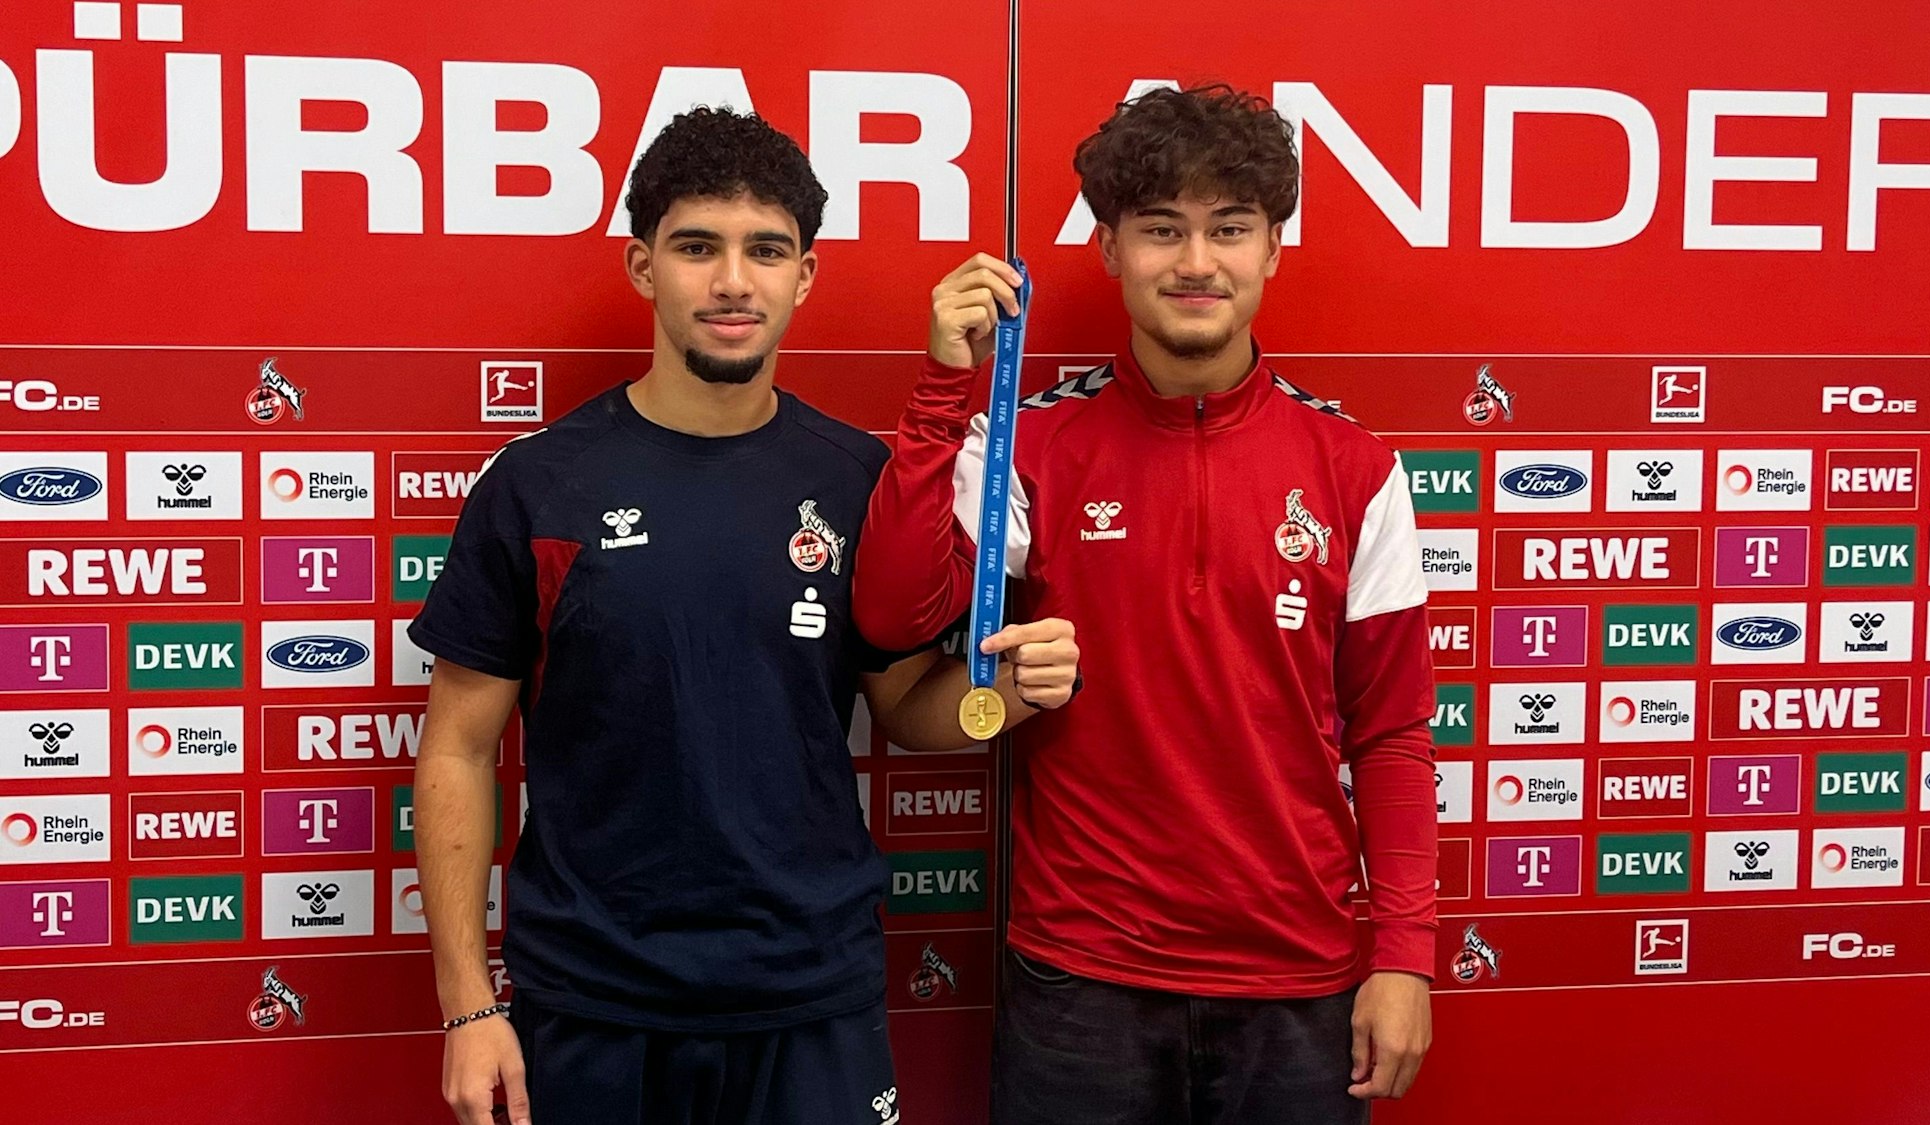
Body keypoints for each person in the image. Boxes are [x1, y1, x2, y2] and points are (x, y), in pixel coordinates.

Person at [410, 107, 1079, 1125]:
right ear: (643, 267)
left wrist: (1005, 699)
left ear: (803, 277)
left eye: (764, 251)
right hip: (593, 1003)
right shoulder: (536, 485)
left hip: (810, 996)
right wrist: (467, 1008)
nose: (732, 281)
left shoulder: (859, 482)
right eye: (696, 248)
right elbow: (457, 750)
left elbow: (908, 707)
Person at [852, 85, 1438, 1123]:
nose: (1197, 262)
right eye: (1162, 230)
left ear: (1271, 250)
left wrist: (1402, 955)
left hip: (1298, 982)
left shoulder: (1351, 465)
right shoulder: (1031, 443)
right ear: (1113, 250)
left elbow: (1390, 733)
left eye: (1229, 230)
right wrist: (947, 387)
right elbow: (895, 615)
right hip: (1083, 978)